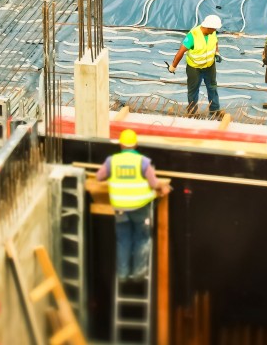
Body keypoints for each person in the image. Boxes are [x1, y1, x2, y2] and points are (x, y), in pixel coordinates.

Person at [96, 129, 171, 281]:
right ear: (135, 144)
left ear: (121, 145)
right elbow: (153, 183)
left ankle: (122, 274)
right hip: (139, 207)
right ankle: (139, 273)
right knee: (142, 238)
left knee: (123, 240)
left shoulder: (112, 161)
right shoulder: (143, 162)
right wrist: (163, 187)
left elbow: (99, 176)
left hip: (120, 208)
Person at [168, 15, 223, 117]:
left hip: (210, 66)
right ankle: (192, 112)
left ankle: (215, 110)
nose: (215, 30)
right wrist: (173, 66)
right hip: (194, 68)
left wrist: (217, 53)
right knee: (193, 90)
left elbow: (215, 42)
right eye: (214, 28)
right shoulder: (193, 36)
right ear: (208, 27)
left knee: (212, 88)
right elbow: (180, 52)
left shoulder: (213, 32)